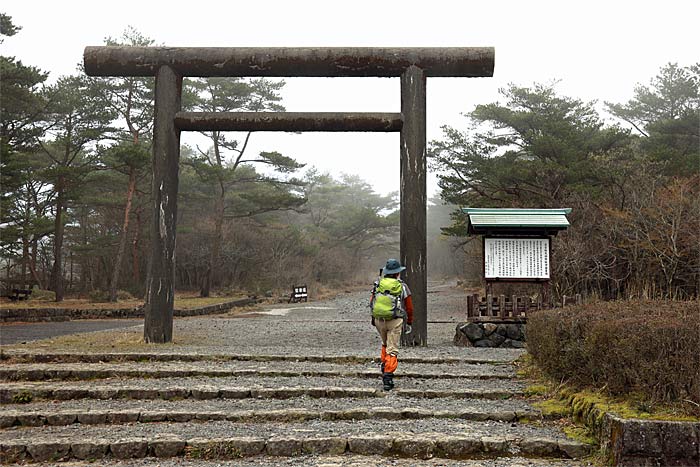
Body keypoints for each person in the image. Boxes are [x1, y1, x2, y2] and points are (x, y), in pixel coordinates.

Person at [369, 258, 413, 391]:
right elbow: (409, 307)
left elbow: (372, 302)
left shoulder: (378, 284)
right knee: (392, 349)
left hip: (379, 320)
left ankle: (384, 365)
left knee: (385, 344)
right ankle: (388, 377)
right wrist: (409, 321)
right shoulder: (402, 286)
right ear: (397, 273)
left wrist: (373, 318)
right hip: (395, 320)